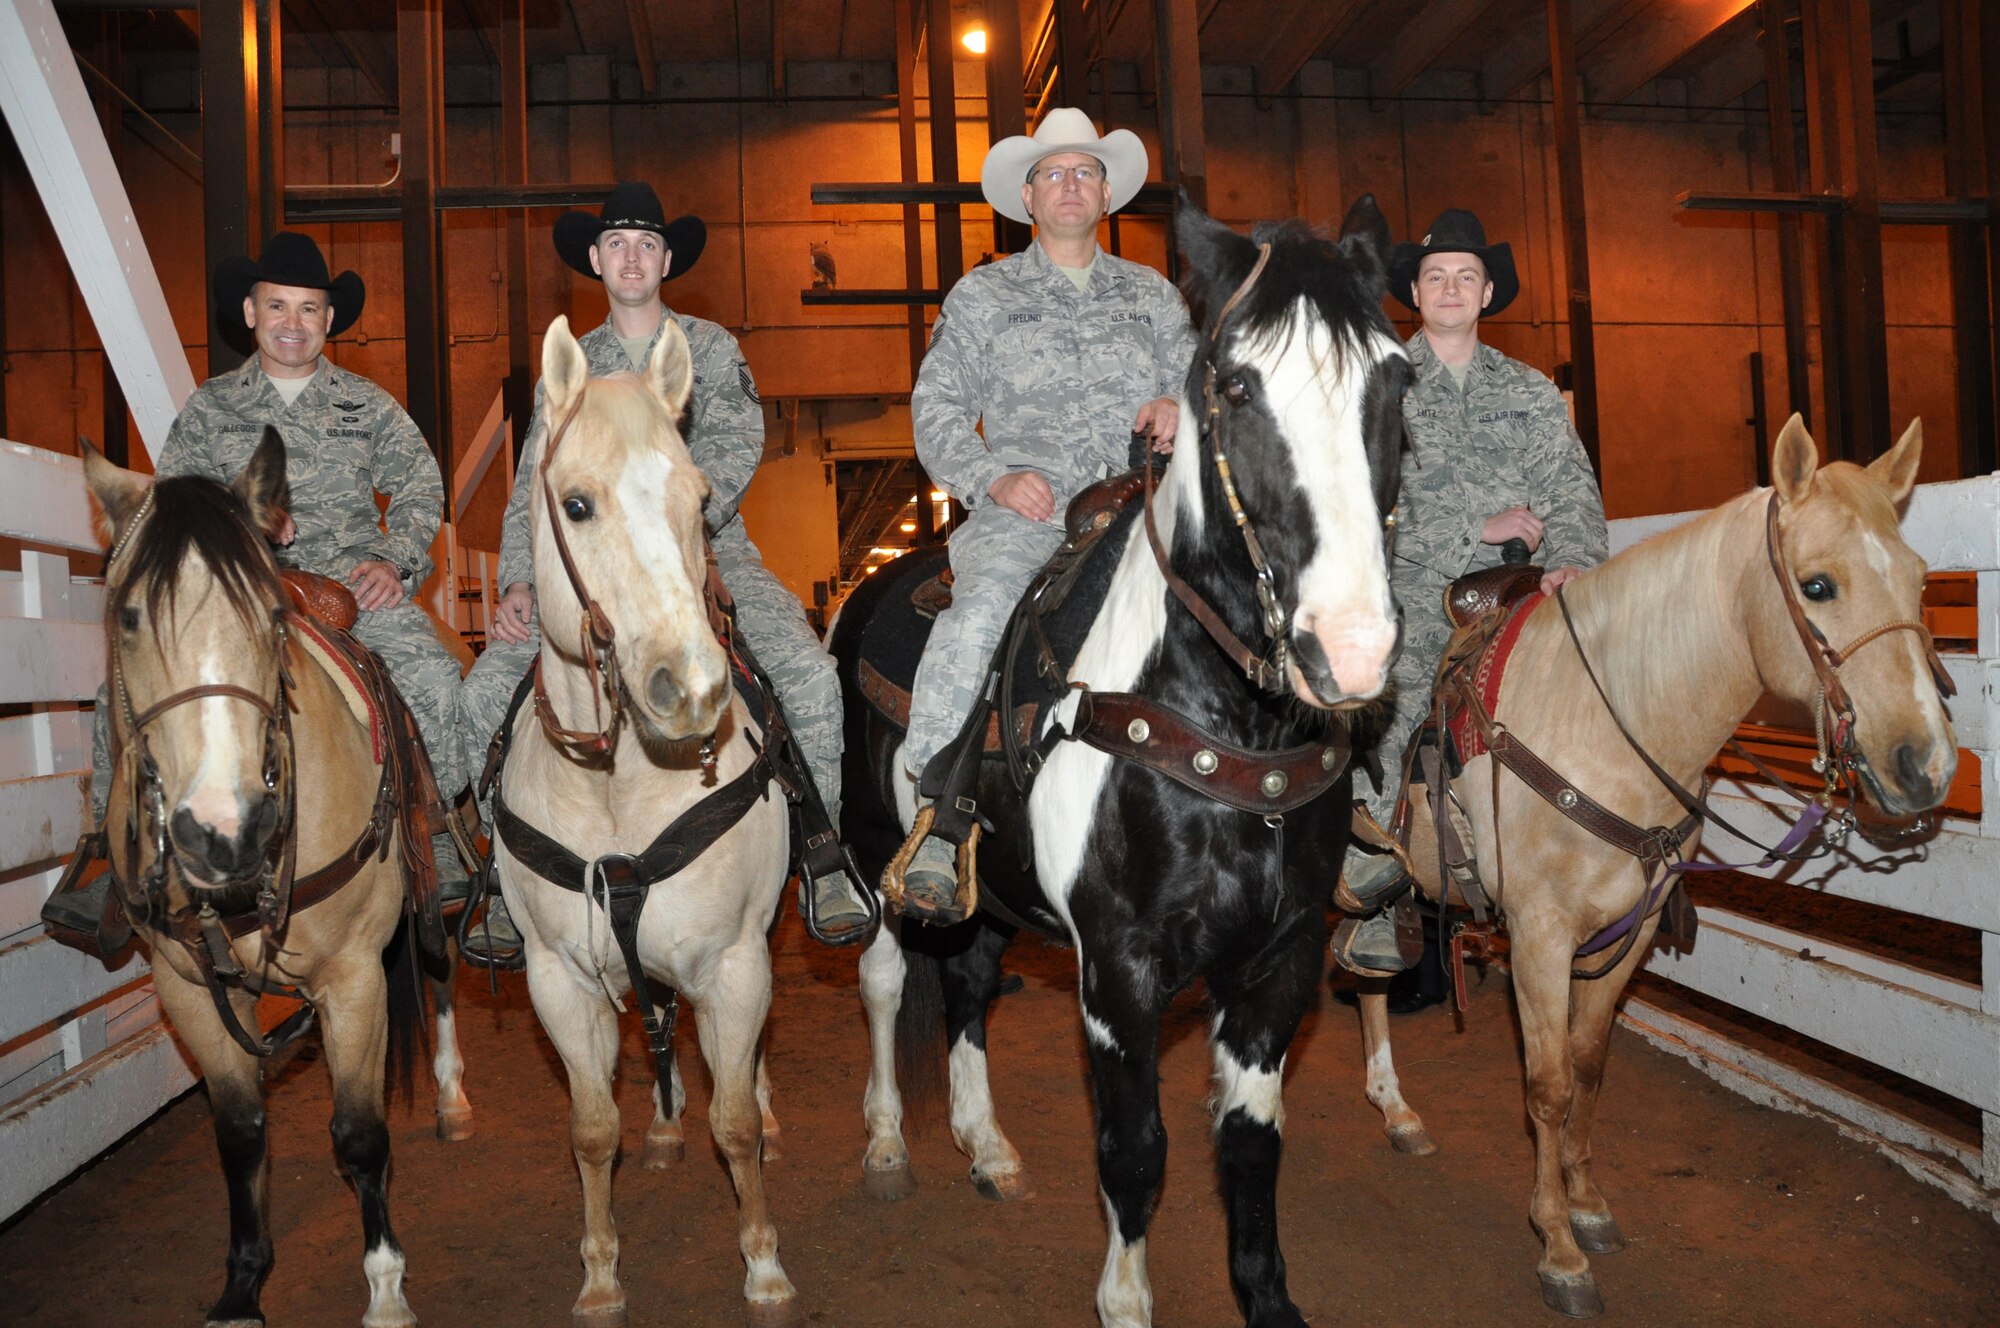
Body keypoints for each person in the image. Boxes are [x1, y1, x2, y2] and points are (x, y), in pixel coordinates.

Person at [457, 182, 866, 958]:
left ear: (667, 259)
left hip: (708, 543)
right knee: (483, 696)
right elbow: (533, 486)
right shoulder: (571, 369)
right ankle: (502, 878)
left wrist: (677, 532)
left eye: (647, 243)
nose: (632, 256)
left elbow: (737, 448)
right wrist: (518, 579)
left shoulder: (706, 349)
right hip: (593, 561)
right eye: (617, 243)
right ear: (595, 259)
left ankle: (822, 848)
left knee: (809, 679)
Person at [87, 232, 467, 885]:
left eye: (309, 309)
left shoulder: (366, 404)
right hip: (239, 591)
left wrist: (394, 562)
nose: (293, 323)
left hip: (353, 587)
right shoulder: (212, 407)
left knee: (434, 679)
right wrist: (244, 520)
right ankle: (107, 856)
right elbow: (177, 506)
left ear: (329, 319)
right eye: (278, 306)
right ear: (250, 313)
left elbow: (420, 486)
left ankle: (440, 831)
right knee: (114, 695)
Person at [899, 108, 1198, 916]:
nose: (1071, 185)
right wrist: (992, 478)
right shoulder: (984, 296)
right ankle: (939, 813)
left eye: (1085, 172)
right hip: (1027, 512)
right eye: (1054, 174)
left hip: (1147, 505)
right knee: (980, 612)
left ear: (1107, 194)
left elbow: (1207, 390)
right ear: (1028, 198)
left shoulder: (1153, 297)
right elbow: (935, 409)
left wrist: (1180, 403)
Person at [1335, 208, 1610, 997]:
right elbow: (1359, 500)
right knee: (1391, 699)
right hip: (1414, 587)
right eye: (1434, 277)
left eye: (1465, 276)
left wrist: (1577, 562)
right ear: (1413, 293)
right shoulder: (1375, 385)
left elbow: (1571, 490)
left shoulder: (1527, 391)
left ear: (1486, 292)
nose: (1450, 288)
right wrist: (1472, 527)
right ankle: (1377, 885)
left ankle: (1612, 856)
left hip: (1521, 589)